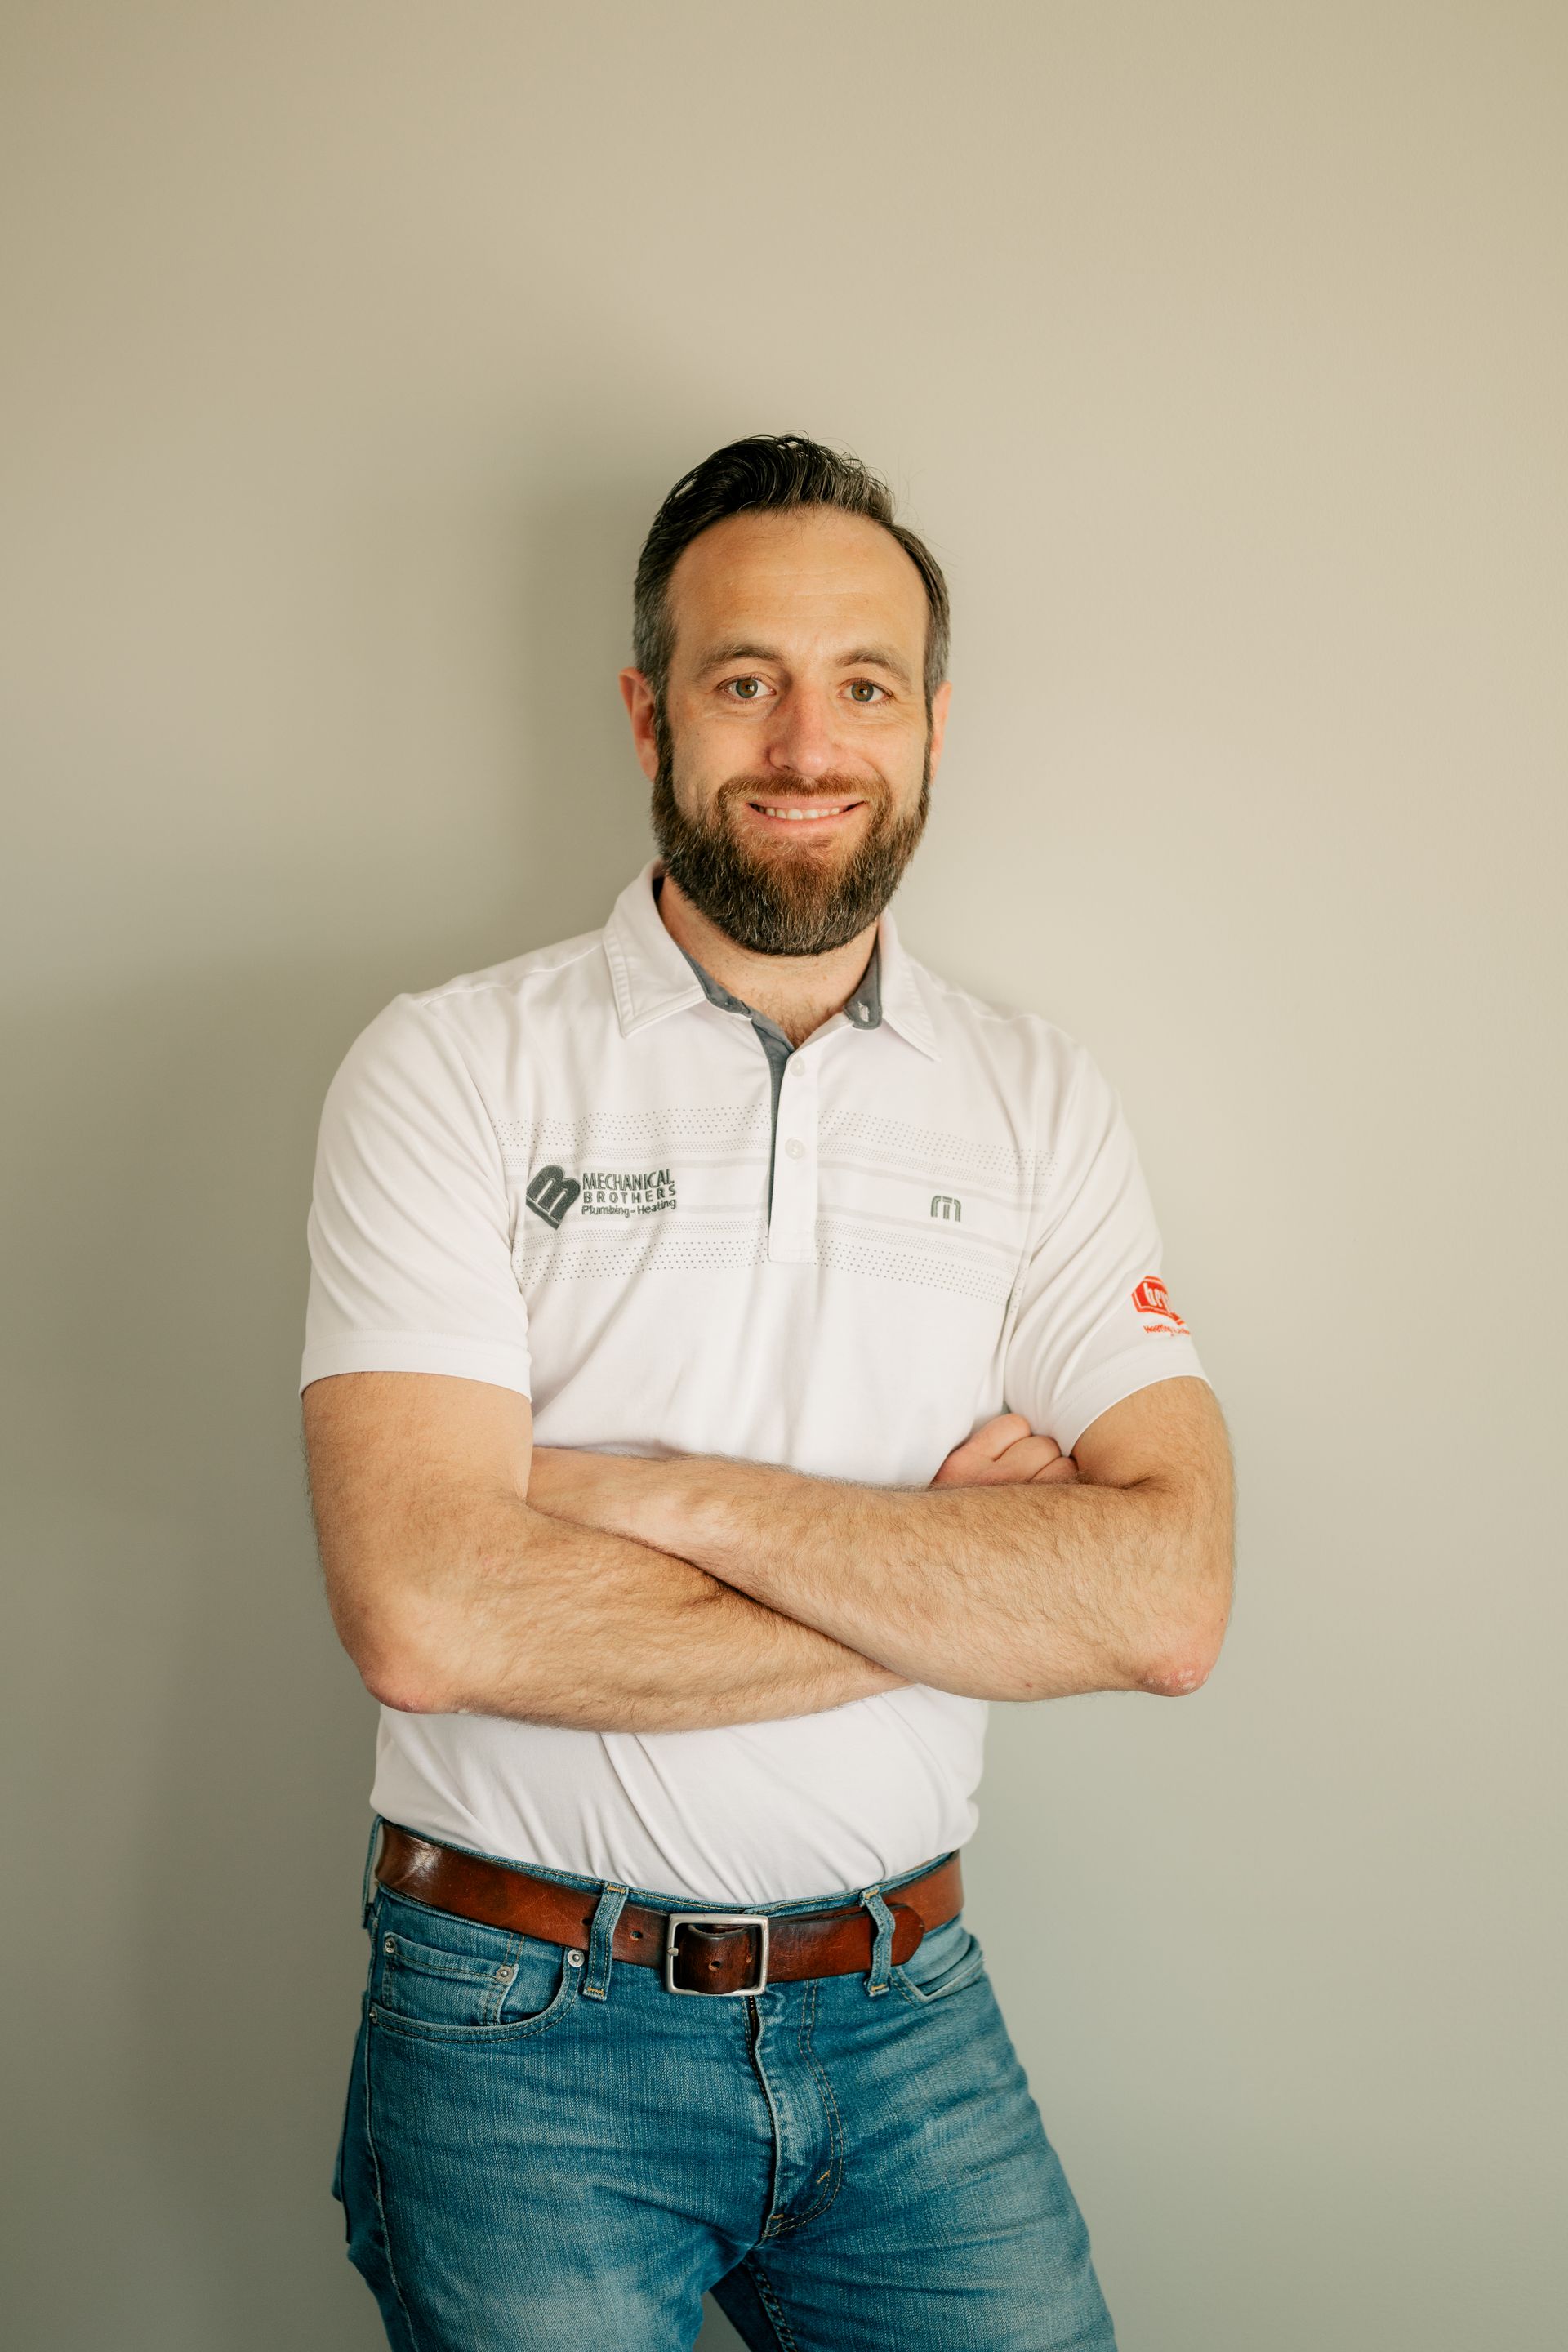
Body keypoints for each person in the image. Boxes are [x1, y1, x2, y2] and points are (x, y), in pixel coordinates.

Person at [301, 432, 1234, 2351]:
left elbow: (1165, 1599)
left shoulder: (1036, 1098)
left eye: (863, 688)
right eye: (748, 683)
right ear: (650, 710)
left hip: (908, 2009)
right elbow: (427, 1608)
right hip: (521, 2018)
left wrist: (652, 1495)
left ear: (934, 728)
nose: (807, 745)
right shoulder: (450, 1069)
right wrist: (958, 1584)